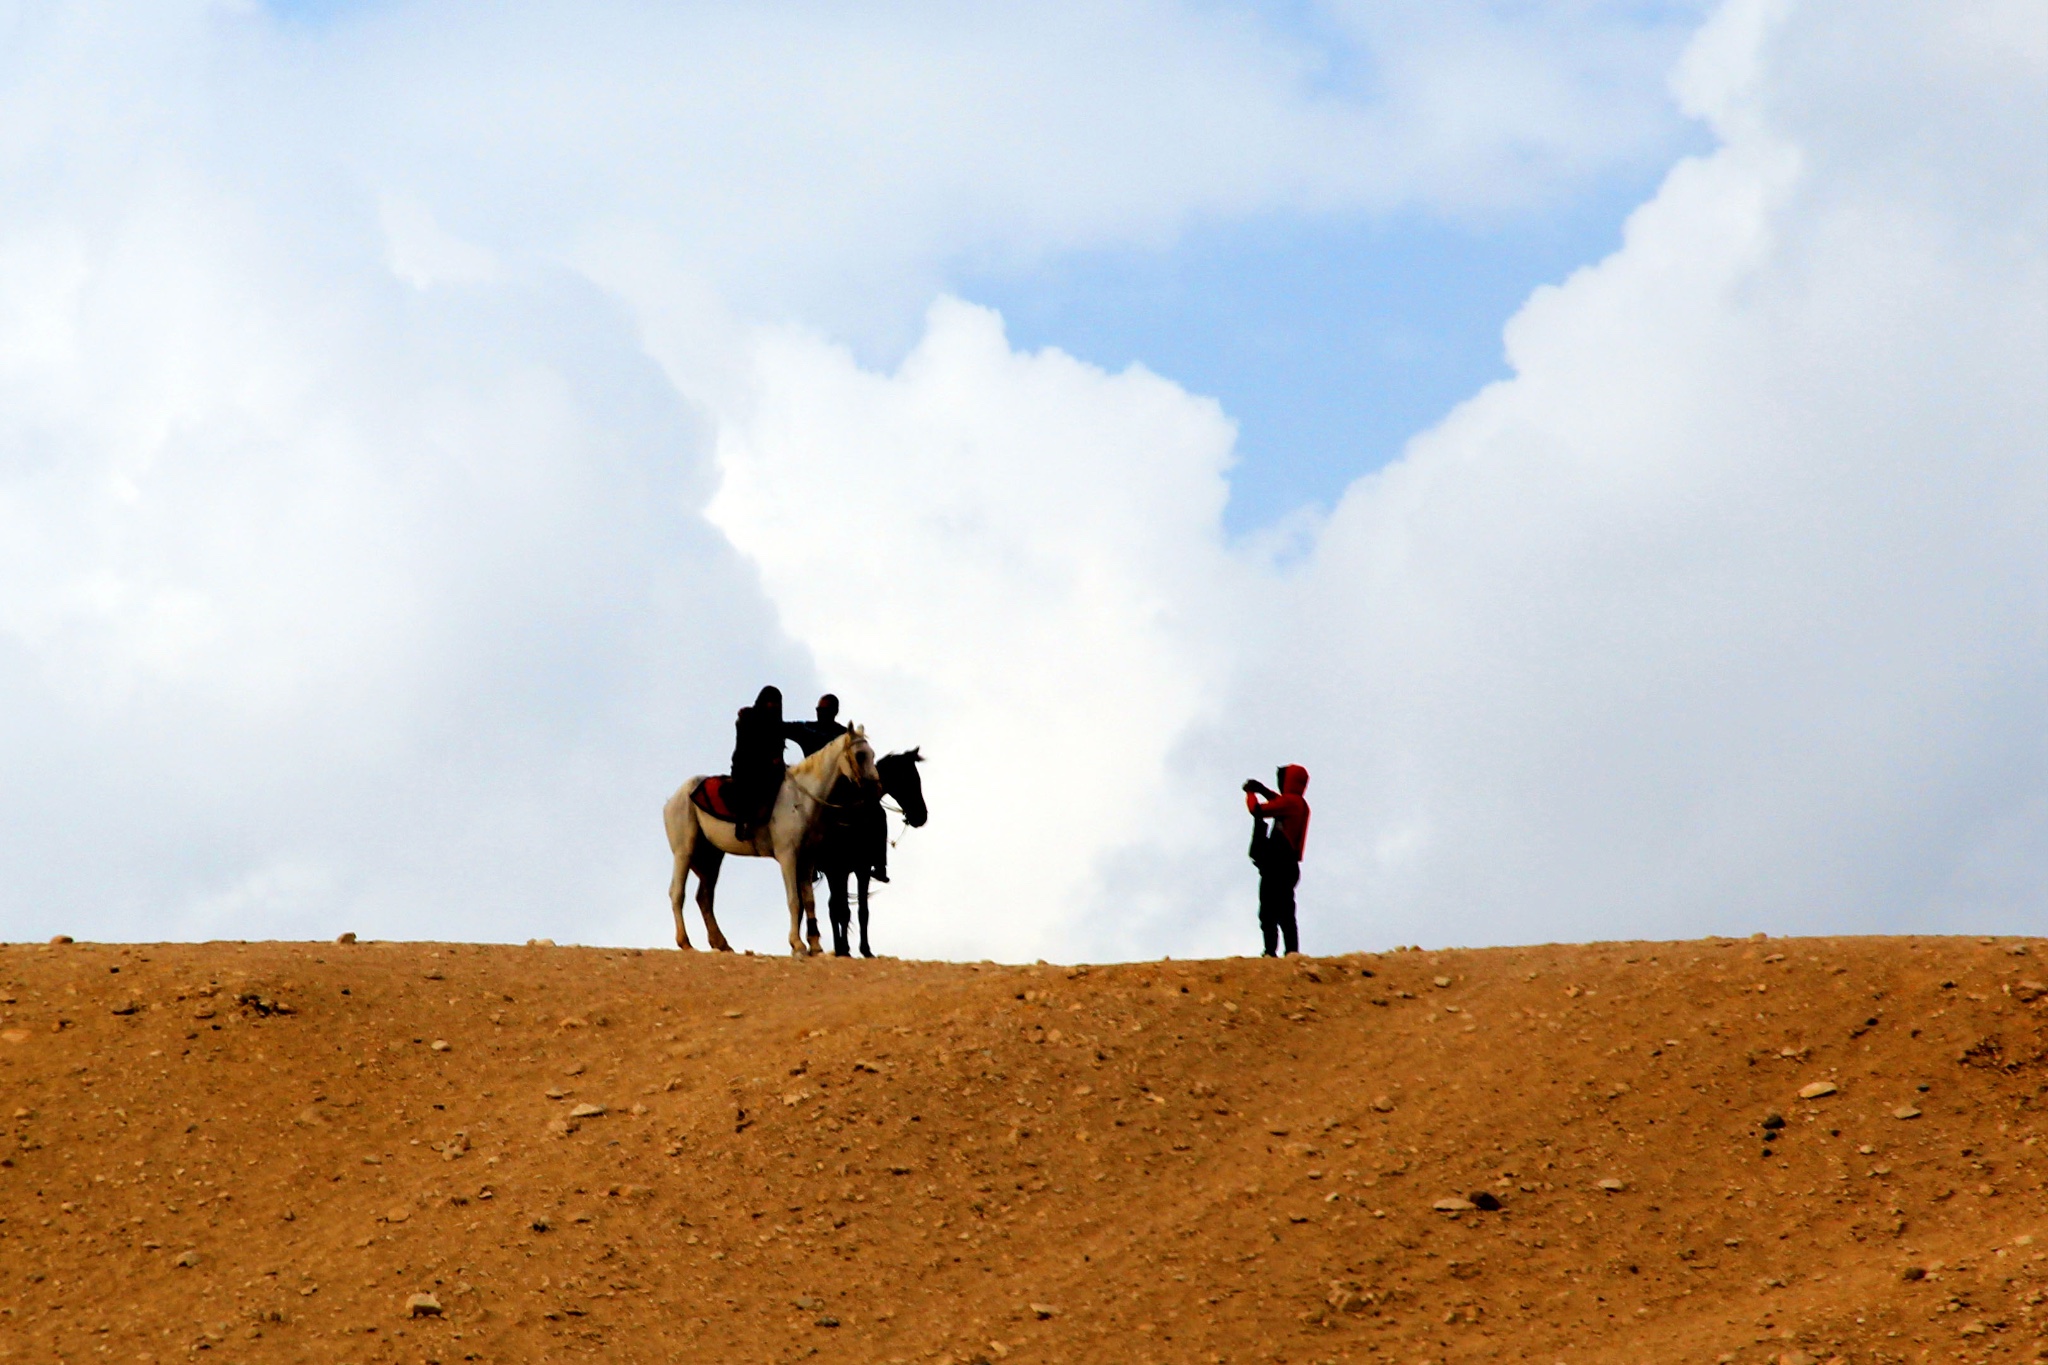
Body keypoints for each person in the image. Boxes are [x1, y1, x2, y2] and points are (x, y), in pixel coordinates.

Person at [1243, 765, 1309, 957]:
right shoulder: (1299, 804)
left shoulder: (1290, 802)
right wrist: (1263, 790)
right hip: (1289, 866)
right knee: (1285, 910)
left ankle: (1271, 951)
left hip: (1277, 866)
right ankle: (1291, 952)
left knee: (1269, 911)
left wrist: (1250, 794)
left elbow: (1256, 810)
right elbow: (1278, 801)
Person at [728, 686, 787, 839]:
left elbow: (778, 747)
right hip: (747, 765)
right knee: (749, 786)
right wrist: (769, 759)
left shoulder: (777, 725)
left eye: (776, 703)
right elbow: (748, 744)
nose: (773, 706)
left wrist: (778, 761)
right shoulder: (748, 718)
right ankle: (742, 824)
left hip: (771, 768)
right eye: (770, 702)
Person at [784, 693, 848, 757]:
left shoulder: (845, 735)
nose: (821, 713)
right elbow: (779, 727)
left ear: (835, 711)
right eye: (819, 710)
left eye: (825, 710)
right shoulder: (807, 728)